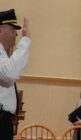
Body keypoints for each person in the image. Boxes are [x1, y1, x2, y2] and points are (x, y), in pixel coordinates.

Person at [0, 9, 31, 140]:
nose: (16, 35)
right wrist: (26, 41)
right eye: (12, 30)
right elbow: (10, 73)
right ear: (0, 29)